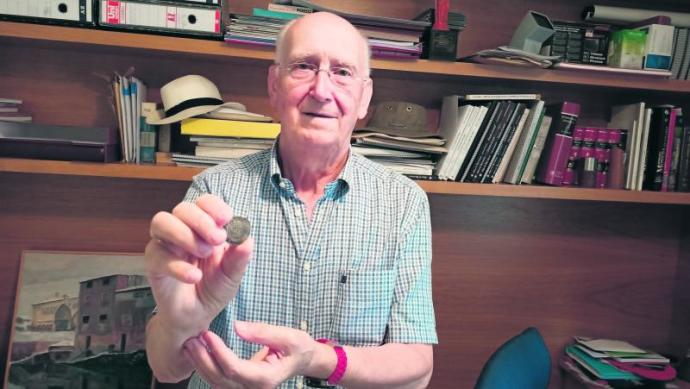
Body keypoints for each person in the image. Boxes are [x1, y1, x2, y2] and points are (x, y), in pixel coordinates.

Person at [145, 11, 437, 389]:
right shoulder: (213, 192)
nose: (321, 89)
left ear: (364, 98)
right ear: (274, 86)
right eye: (304, 66)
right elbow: (166, 369)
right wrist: (176, 324)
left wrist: (318, 359)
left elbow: (417, 367)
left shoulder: (404, 202)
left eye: (343, 72)